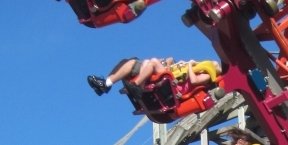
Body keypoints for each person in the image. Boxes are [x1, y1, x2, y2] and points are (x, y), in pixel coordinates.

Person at [87, 57, 221, 97]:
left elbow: (193, 81)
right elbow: (176, 75)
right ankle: (106, 84)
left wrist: (190, 66)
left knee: (150, 62)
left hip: (174, 88)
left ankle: (137, 85)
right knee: (142, 62)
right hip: (171, 81)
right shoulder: (199, 71)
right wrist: (174, 64)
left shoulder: (207, 77)